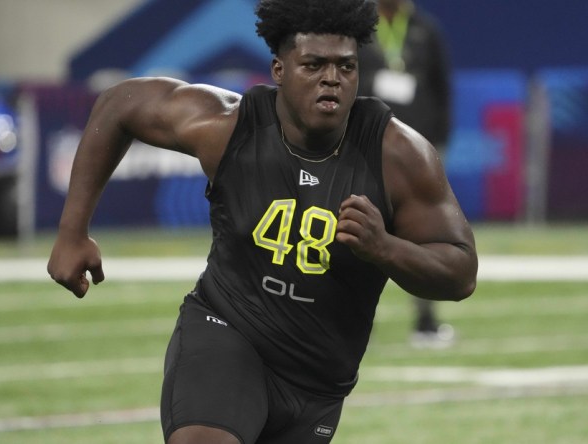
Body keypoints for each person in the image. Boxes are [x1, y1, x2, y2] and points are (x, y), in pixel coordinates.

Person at [47, 0, 477, 443]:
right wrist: (71, 232)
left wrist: (386, 249)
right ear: (279, 70)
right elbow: (121, 103)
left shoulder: (398, 154)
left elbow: (461, 273)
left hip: (318, 381)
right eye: (313, 64)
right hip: (227, 333)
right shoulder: (229, 126)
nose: (331, 78)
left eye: (345, 66)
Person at [358, 0, 456, 348]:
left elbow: (442, 85)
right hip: (369, 142)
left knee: (424, 230)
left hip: (418, 146)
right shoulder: (360, 26)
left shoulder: (425, 29)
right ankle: (351, 320)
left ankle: (426, 321)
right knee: (357, 228)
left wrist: (439, 144)